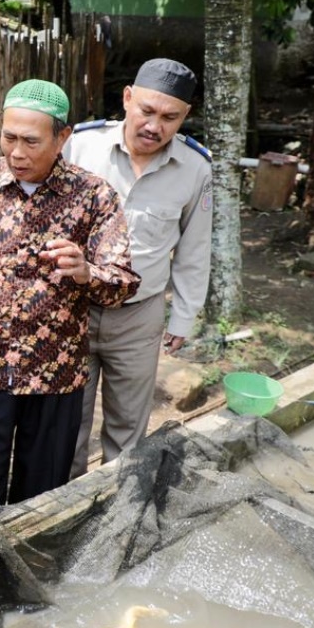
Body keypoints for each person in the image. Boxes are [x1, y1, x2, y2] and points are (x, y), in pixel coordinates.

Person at [0, 80, 140, 505]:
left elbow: (122, 282)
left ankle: (31, 571)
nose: (17, 152)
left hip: (56, 376)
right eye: (9, 137)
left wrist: (85, 272)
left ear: (63, 137)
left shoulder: (93, 195)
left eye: (31, 141)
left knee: (42, 497)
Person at [64, 58, 213, 472]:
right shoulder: (79, 146)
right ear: (127, 98)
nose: (154, 126)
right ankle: (63, 511)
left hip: (139, 316)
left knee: (128, 427)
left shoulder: (195, 169)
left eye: (170, 117)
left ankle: (119, 511)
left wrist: (183, 317)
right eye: (147, 110)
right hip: (71, 308)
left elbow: (194, 250)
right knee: (67, 422)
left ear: (185, 117)